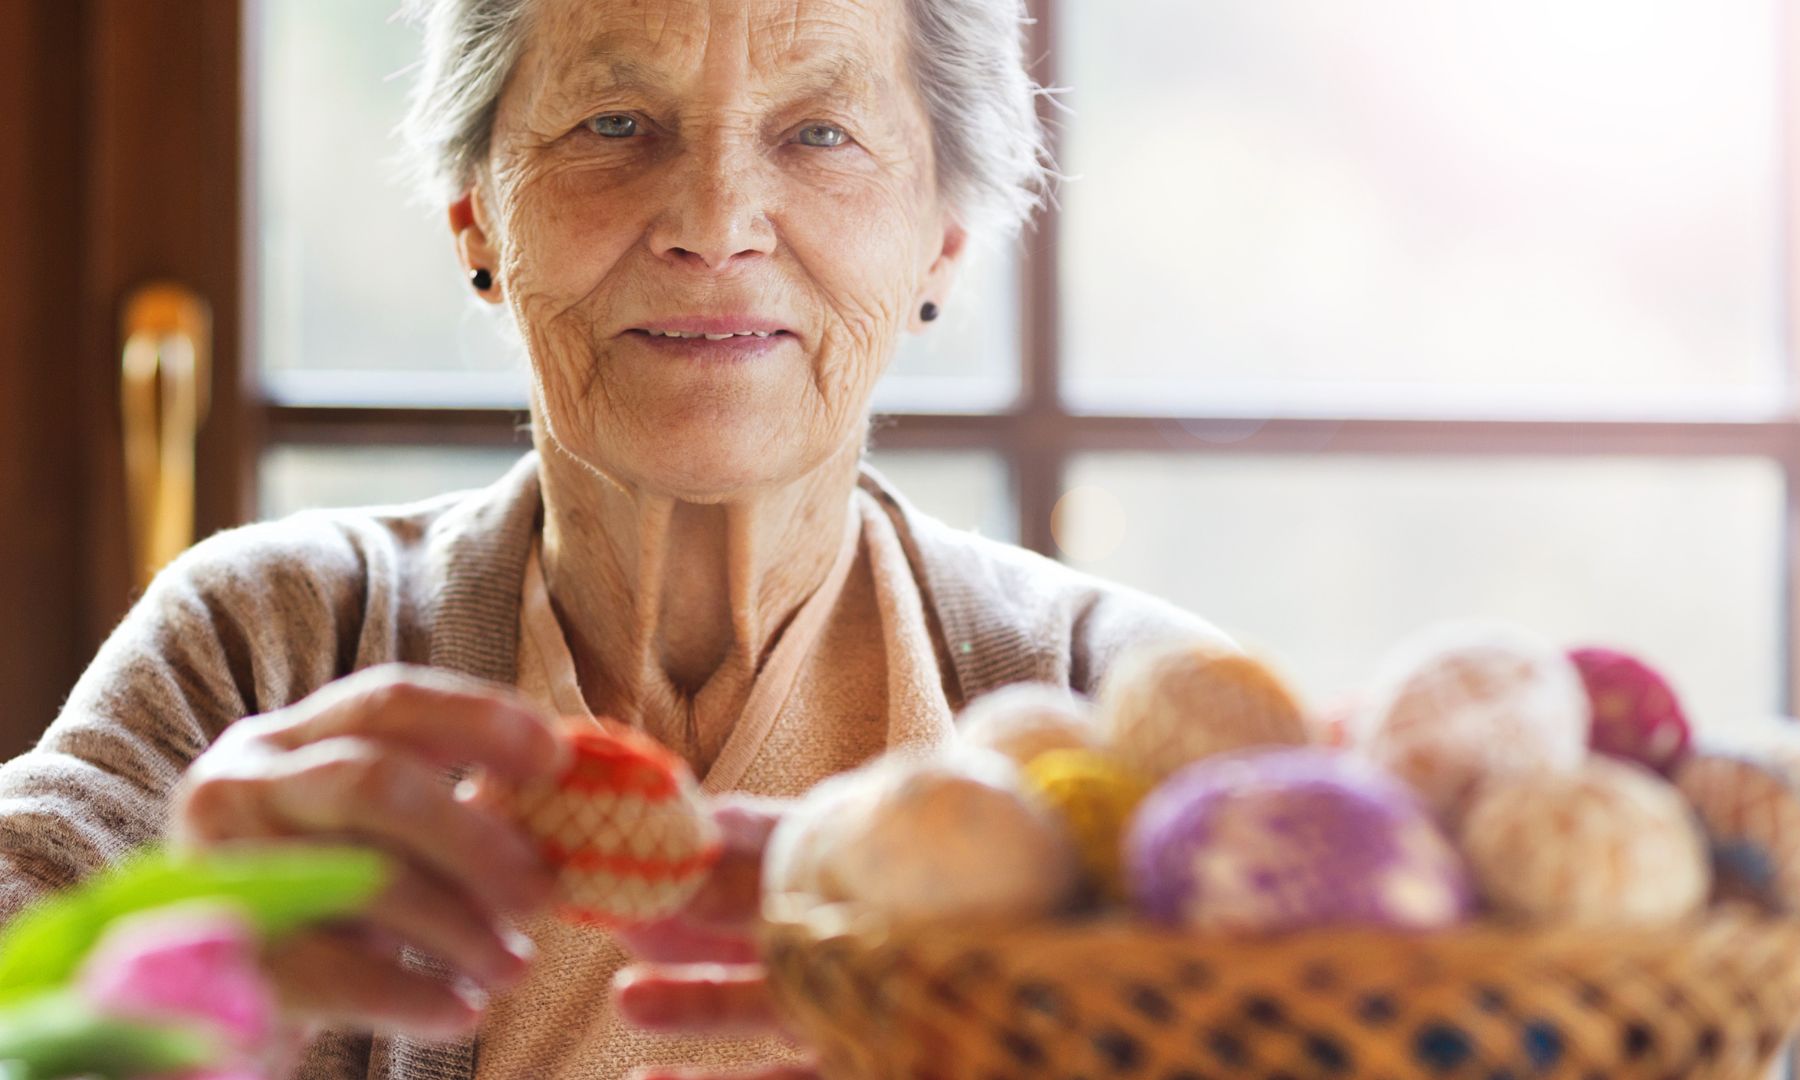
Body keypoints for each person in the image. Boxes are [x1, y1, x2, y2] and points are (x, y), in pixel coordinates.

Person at [0, 0, 1224, 1076]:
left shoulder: (1122, 708)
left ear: (941, 242)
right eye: (615, 124)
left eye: (820, 134)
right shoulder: (265, 641)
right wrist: (136, 973)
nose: (714, 222)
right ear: (478, 217)